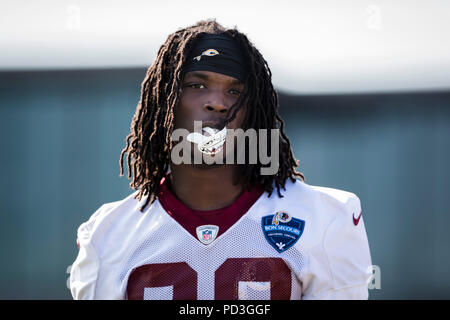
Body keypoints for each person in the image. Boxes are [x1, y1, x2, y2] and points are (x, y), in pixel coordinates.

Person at [70, 19, 372, 300]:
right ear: (163, 102)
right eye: (197, 85)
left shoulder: (326, 220)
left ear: (253, 112)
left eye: (235, 90)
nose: (216, 102)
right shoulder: (108, 235)